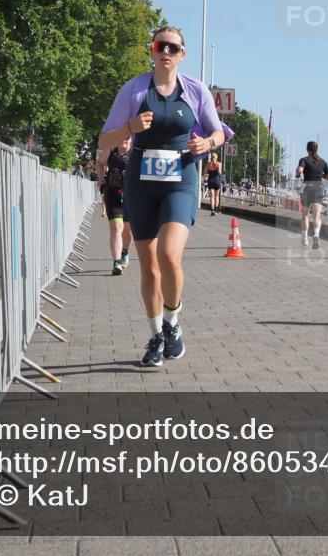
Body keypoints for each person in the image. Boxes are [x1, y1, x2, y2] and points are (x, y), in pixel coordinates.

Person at [99, 25, 231, 367]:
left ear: (182, 54)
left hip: (181, 178)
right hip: (141, 181)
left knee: (170, 255)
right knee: (150, 268)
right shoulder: (133, 90)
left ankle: (173, 324)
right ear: (153, 50)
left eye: (174, 48)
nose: (167, 52)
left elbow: (218, 132)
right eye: (161, 46)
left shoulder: (195, 91)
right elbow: (104, 140)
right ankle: (156, 335)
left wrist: (206, 143)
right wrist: (130, 128)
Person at [97, 136, 133, 275]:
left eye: (127, 141)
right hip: (113, 194)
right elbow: (100, 163)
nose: (124, 144)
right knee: (116, 228)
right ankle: (116, 262)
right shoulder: (110, 149)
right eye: (122, 140)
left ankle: (125, 252)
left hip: (131, 196)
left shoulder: (137, 151)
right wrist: (101, 180)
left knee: (128, 232)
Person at [295, 141, 328, 249]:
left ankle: (305, 239)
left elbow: (300, 170)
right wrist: (320, 175)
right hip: (318, 188)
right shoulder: (323, 162)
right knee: (316, 216)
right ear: (317, 149)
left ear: (307, 149)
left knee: (305, 215)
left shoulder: (304, 160)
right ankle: (316, 234)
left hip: (306, 187)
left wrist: (298, 173)